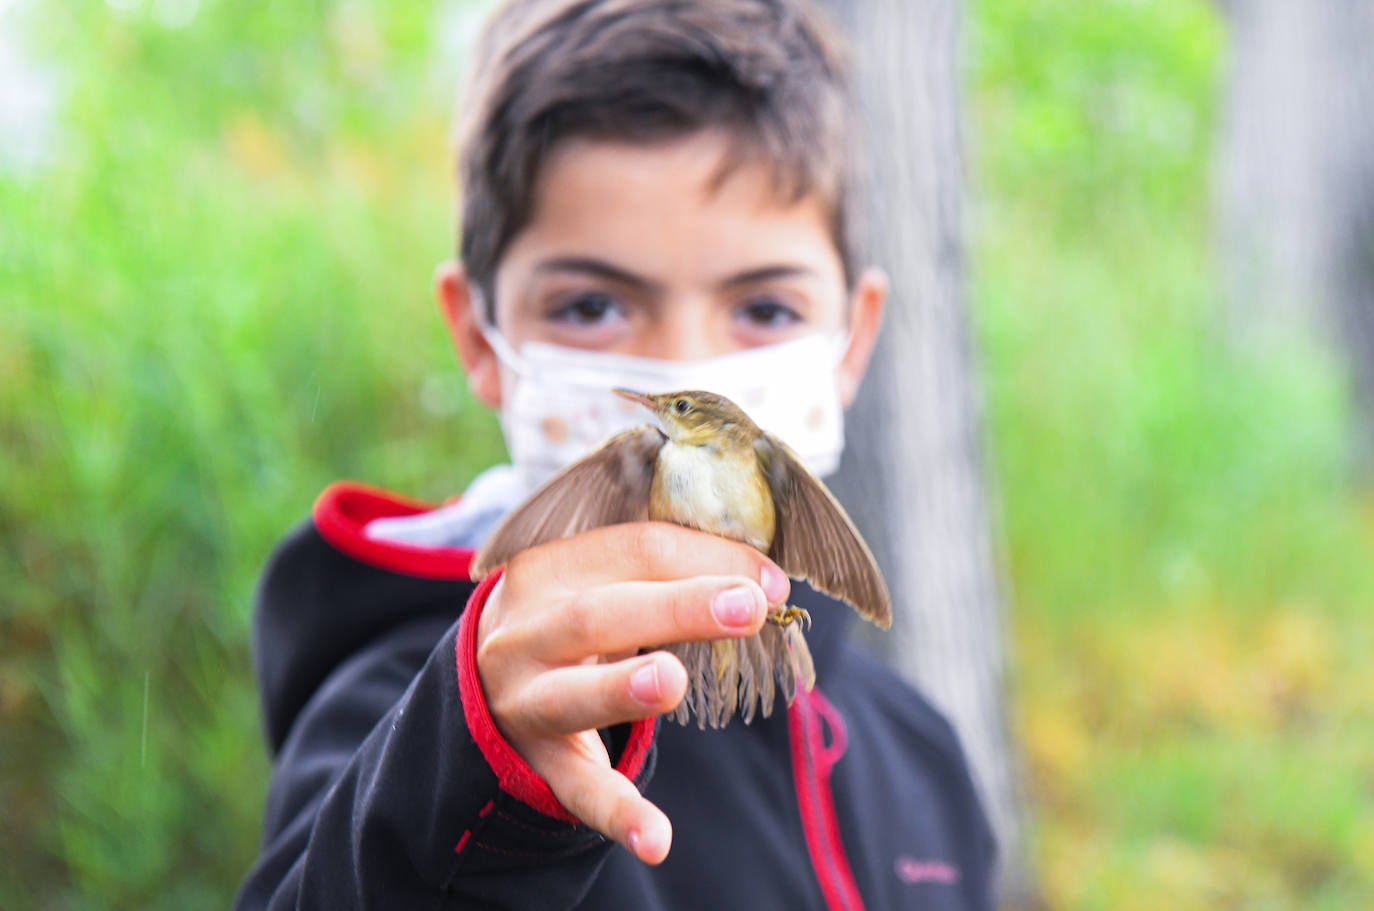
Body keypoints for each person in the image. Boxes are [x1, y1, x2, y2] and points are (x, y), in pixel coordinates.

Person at [233, 1, 996, 908]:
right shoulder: (402, 706)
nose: (683, 364)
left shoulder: (917, 752)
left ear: (853, 340)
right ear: (478, 336)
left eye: (765, 309)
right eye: (593, 306)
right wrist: (478, 770)